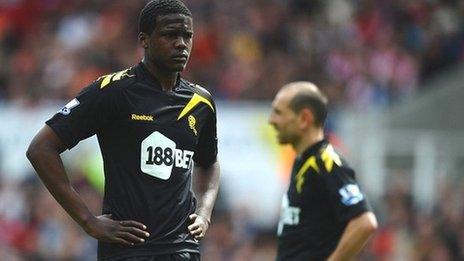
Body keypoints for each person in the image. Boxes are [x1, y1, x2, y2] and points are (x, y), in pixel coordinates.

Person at [26, 0, 220, 260]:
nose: (181, 44)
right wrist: (88, 221)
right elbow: (41, 149)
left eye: (187, 36)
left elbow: (209, 163)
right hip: (127, 251)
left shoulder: (201, 102)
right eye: (170, 35)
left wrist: (205, 212)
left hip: (182, 249)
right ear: (145, 39)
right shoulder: (113, 91)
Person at [268, 82, 378, 260]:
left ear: (304, 118)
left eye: (278, 113)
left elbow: (364, 222)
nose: (271, 120)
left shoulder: (326, 162)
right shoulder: (303, 161)